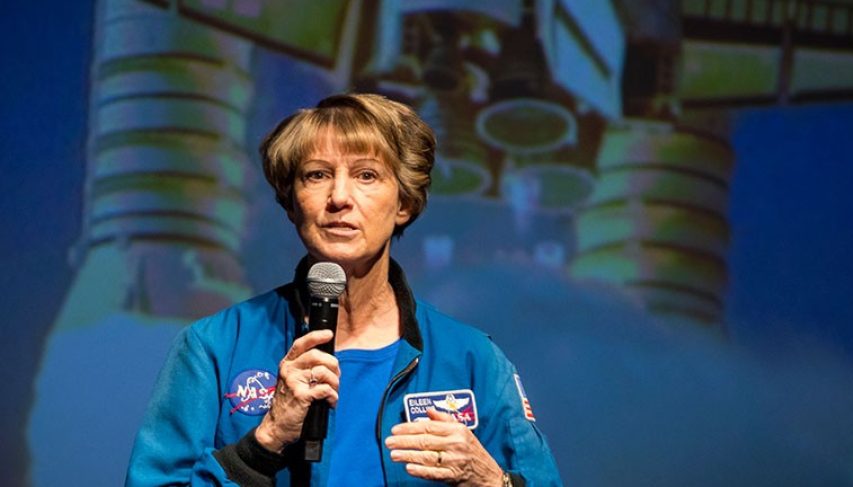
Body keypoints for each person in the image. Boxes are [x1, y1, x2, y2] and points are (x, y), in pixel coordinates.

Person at [126, 93, 561, 486]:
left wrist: (492, 482)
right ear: (291, 202)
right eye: (316, 175)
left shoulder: (471, 357)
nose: (339, 197)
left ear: (404, 203)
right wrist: (263, 444)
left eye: (366, 175)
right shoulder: (214, 347)